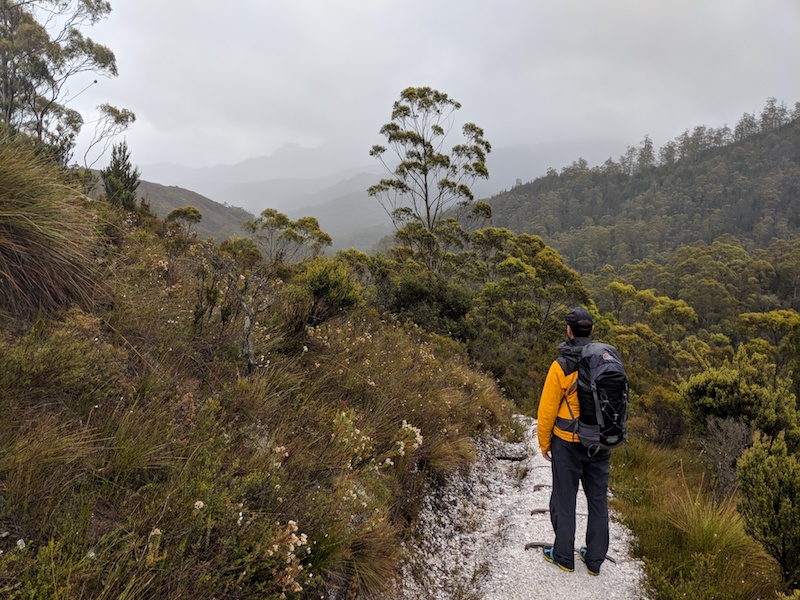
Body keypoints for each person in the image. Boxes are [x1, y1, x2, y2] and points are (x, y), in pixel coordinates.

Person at [536, 306, 610, 576]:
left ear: (568, 330)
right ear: (592, 330)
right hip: (600, 442)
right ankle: (594, 561)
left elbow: (547, 411)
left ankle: (564, 556)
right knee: (598, 500)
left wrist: (544, 443)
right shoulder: (606, 360)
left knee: (564, 499)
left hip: (567, 442)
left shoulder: (561, 365)